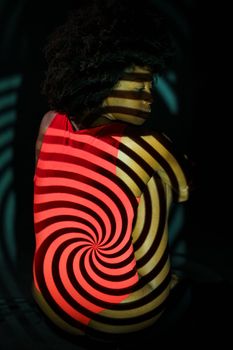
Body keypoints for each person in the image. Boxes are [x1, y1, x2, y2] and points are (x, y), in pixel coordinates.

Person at [32, 0, 192, 345]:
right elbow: (183, 192)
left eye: (151, 84)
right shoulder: (148, 144)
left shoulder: (49, 123)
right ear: (103, 88)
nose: (150, 96)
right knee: (154, 185)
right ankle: (160, 282)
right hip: (122, 316)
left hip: (50, 292)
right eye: (138, 88)